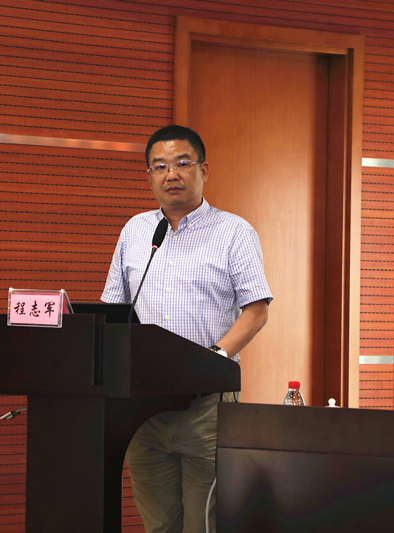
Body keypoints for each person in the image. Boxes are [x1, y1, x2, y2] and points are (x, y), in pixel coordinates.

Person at [101, 125, 272, 533]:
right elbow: (113, 311)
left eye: (182, 163)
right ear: (149, 175)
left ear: (203, 170)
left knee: (204, 524)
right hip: (143, 406)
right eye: (159, 166)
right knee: (159, 525)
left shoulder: (234, 232)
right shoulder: (135, 231)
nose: (171, 174)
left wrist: (214, 358)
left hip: (207, 404)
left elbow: (256, 310)